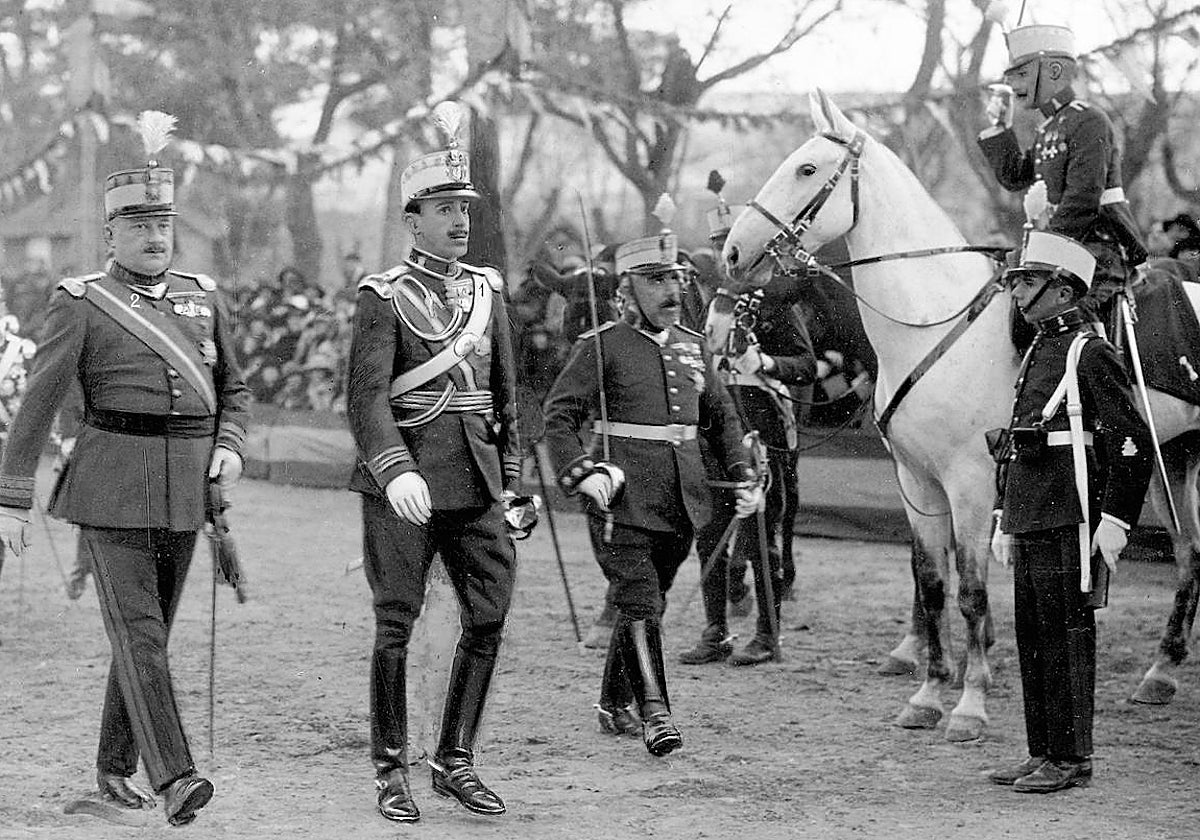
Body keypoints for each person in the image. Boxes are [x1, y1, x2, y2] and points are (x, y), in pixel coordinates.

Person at [0, 111, 250, 826]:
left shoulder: (204, 298)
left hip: (187, 492)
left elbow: (235, 388)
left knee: (147, 639)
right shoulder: (81, 303)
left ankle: (115, 764)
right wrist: (11, 498)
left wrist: (229, 443)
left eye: (163, 222)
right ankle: (176, 777)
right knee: (139, 634)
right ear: (111, 234)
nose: (154, 236)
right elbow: (39, 403)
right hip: (110, 489)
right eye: (139, 225)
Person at [345, 101, 523, 824]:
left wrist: (512, 486)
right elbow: (364, 402)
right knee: (397, 623)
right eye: (444, 208)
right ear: (412, 218)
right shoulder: (383, 297)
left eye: (465, 209)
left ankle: (455, 759)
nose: (459, 222)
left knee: (489, 615)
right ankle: (392, 771)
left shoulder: (487, 293)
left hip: (477, 484)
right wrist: (396, 469)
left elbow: (509, 399)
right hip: (406, 488)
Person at [541, 229, 761, 756]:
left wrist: (743, 475)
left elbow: (721, 418)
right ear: (627, 289)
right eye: (656, 281)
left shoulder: (692, 345)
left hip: (682, 499)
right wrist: (581, 472)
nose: (671, 292)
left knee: (646, 602)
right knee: (640, 602)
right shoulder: (602, 347)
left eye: (677, 280)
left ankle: (612, 701)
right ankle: (655, 714)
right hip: (619, 498)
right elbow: (559, 417)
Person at [987, 231, 1152, 793]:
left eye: (1028, 283)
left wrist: (1115, 521)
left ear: (1064, 292)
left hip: (1069, 518)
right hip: (1031, 514)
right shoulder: (1038, 349)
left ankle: (1073, 758)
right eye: (1016, 282)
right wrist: (1002, 517)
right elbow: (1018, 441)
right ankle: (1044, 752)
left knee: (1066, 637)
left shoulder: (1088, 351)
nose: (1017, 294)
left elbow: (1130, 441)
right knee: (1033, 638)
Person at [678, 198, 825, 667]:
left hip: (763, 425)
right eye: (721, 248)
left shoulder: (775, 302)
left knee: (762, 535)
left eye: (733, 247)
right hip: (712, 427)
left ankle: (767, 632)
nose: (728, 256)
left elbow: (807, 366)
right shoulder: (701, 304)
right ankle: (716, 629)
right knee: (710, 534)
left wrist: (763, 363)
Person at [978, 23, 1147, 331]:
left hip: (1098, 250)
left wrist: (1039, 249)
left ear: (1054, 70)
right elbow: (1015, 176)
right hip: (1062, 249)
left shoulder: (1088, 120)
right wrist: (1001, 128)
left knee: (1065, 319)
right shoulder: (1047, 130)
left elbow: (1083, 199)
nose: (1012, 83)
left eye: (1022, 74)